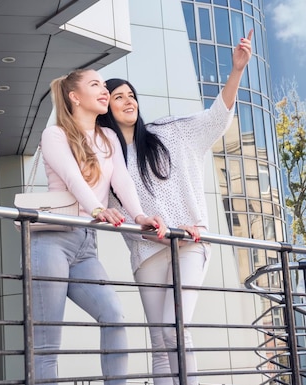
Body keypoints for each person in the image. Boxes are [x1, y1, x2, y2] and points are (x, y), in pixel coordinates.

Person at [97, 29, 254, 384]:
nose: (128, 101)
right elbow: (103, 206)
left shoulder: (169, 132)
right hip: (145, 250)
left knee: (175, 329)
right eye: (118, 97)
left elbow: (216, 119)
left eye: (131, 95)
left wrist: (237, 71)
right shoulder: (104, 157)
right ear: (104, 108)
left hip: (188, 243)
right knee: (159, 342)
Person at [32, 68, 168, 385]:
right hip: (51, 240)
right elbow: (70, 176)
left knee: (114, 316)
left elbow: (122, 180)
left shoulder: (107, 137)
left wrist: (139, 217)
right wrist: (96, 207)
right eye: (96, 85)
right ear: (75, 97)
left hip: (85, 246)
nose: (104, 90)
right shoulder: (55, 135)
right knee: (47, 341)